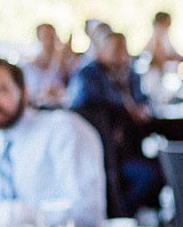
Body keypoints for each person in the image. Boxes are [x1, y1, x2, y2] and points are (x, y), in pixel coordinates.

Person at [0, 58, 106, 227]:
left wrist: (24, 215)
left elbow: (87, 214)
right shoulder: (0, 141)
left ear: (24, 92)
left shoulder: (63, 130)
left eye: (1, 90)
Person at [67, 31, 158, 215]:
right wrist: (125, 108)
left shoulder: (130, 74)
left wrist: (144, 109)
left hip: (130, 148)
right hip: (104, 153)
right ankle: (121, 215)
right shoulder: (88, 76)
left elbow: (145, 102)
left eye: (124, 48)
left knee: (160, 169)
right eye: (115, 49)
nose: (121, 53)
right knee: (147, 176)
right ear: (100, 52)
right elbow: (85, 104)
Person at [23, 23, 75, 108]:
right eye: (46, 35)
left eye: (52, 36)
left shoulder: (65, 64)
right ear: (39, 37)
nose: (49, 40)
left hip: (60, 109)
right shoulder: (28, 67)